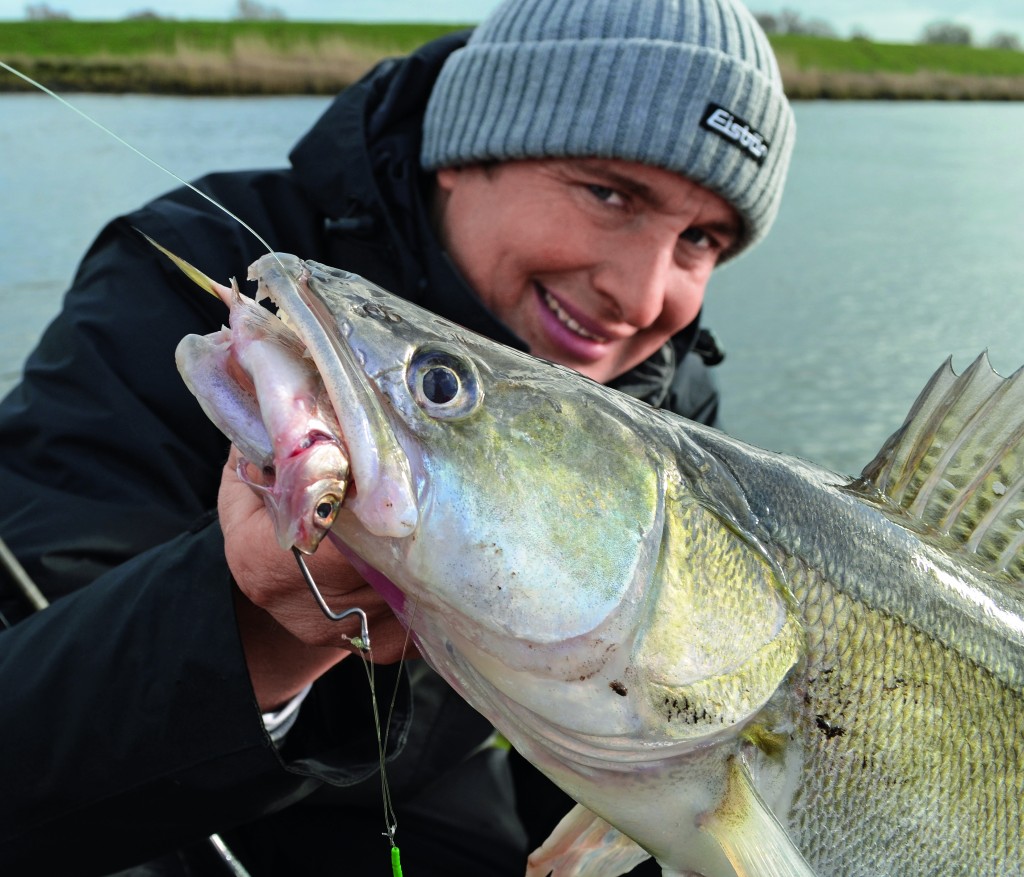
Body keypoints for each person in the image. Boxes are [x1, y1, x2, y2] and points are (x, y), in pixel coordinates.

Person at [0, 0, 794, 873]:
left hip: (428, 800)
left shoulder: (664, 395)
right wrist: (258, 624)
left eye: (701, 239)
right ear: (462, 157)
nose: (641, 298)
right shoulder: (202, 274)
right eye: (610, 193)